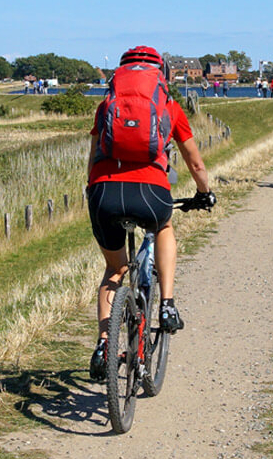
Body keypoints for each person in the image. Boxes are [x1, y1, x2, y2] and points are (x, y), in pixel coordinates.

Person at [87, 46, 215, 380]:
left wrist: (94, 192)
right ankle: (167, 304)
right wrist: (205, 193)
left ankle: (104, 344)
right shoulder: (168, 106)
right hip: (151, 192)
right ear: (161, 77)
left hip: (104, 192)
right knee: (164, 227)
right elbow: (195, 162)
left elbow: (92, 156)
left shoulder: (106, 107)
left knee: (115, 270)